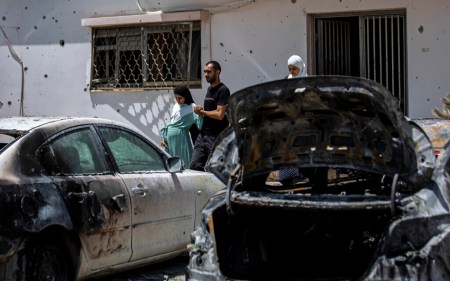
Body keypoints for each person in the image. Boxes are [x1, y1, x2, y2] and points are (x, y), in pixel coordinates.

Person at [190, 60, 231, 171]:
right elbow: (210, 111)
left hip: (215, 135)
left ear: (217, 72)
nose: (206, 75)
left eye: (209, 72)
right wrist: (200, 110)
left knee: (216, 167)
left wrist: (202, 112)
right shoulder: (209, 89)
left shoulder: (223, 90)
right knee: (195, 165)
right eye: (204, 72)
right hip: (203, 135)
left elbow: (219, 114)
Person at [279, 55, 308, 185]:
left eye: (294, 68)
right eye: (290, 69)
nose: (292, 72)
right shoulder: (286, 81)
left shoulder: (307, 82)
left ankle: (303, 176)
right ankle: (287, 178)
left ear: (300, 67)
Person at [160, 85, 203, 166]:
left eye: (180, 98)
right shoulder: (176, 106)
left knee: (182, 162)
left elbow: (200, 125)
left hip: (181, 139)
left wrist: (200, 113)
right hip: (170, 141)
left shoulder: (192, 107)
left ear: (186, 96)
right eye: (176, 97)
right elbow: (172, 123)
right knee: (171, 163)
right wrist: (163, 138)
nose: (177, 100)